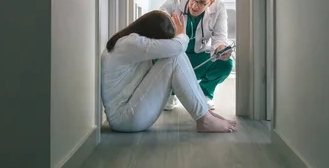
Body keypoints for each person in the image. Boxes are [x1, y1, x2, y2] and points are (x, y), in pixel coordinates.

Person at [101, 10, 237, 133]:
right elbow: (178, 47)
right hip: (125, 119)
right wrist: (181, 33)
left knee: (177, 56)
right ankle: (204, 119)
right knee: (175, 57)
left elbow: (176, 48)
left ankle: (205, 113)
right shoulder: (130, 43)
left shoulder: (127, 41)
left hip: (130, 113)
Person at [159, 0, 233, 111]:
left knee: (226, 64)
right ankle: (170, 92)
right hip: (173, 57)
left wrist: (221, 49)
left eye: (201, 2)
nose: (194, 5)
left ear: (210, 2)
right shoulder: (174, 2)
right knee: (155, 55)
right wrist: (171, 32)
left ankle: (205, 94)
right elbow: (155, 23)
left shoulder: (219, 8)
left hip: (197, 58)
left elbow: (220, 38)